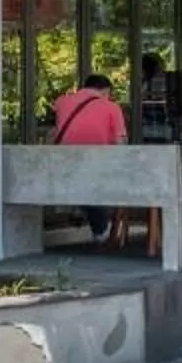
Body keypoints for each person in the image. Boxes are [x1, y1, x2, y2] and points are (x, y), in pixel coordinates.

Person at [48, 70, 130, 242]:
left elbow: (56, 129)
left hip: (65, 162)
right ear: (105, 91)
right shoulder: (111, 107)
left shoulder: (62, 102)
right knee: (103, 191)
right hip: (98, 162)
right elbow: (121, 141)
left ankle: (79, 208)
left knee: (84, 187)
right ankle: (99, 230)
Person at [134, 52, 177, 146]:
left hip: (148, 127)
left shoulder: (140, 83)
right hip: (161, 126)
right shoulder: (166, 81)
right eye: (162, 64)